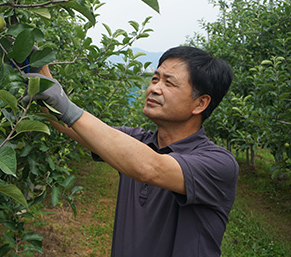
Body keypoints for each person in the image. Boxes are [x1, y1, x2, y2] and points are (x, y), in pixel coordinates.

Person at [24, 46, 238, 257]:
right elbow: (71, 125)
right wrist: (38, 65)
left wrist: (67, 106)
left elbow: (150, 168)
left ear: (200, 103)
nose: (154, 88)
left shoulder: (219, 164)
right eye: (155, 79)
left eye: (169, 82)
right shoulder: (138, 140)